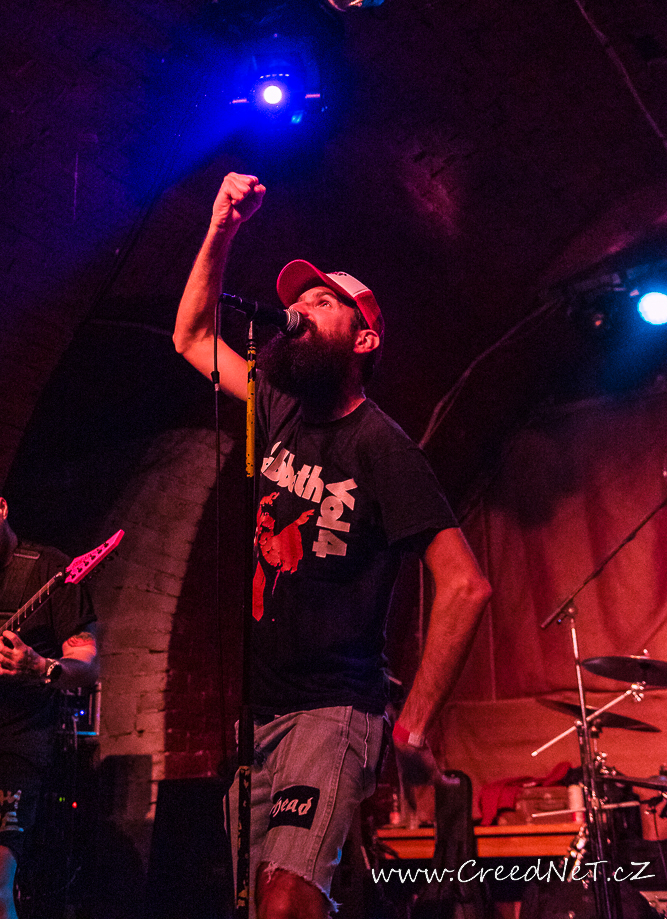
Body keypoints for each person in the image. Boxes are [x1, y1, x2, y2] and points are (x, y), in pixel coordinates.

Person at [173, 172, 492, 919]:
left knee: (287, 901)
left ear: (364, 338)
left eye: (323, 302)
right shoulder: (277, 405)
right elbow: (192, 338)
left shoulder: (383, 447)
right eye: (300, 301)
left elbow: (465, 583)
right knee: (262, 906)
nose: (301, 311)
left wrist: (413, 721)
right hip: (260, 715)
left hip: (335, 709)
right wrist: (221, 227)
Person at [0, 497, 98, 919]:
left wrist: (41, 667)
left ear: (2, 508)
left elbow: (88, 664)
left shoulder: (49, 570)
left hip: (15, 747)